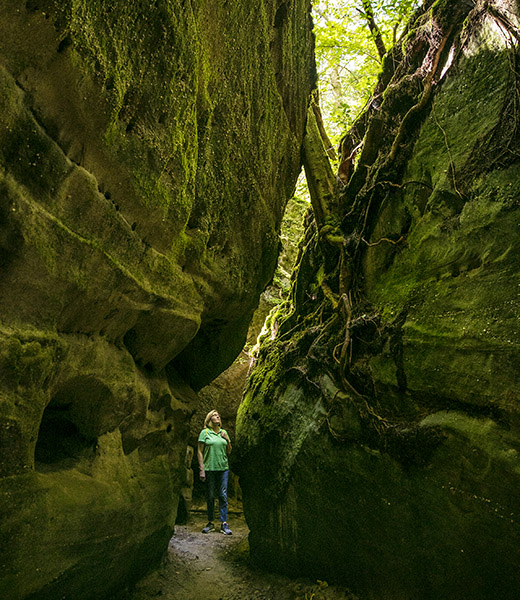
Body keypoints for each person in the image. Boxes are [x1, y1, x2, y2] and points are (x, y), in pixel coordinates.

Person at [197, 410, 233, 535]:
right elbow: (200, 451)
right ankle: (210, 522)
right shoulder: (205, 433)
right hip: (209, 468)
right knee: (211, 495)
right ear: (209, 419)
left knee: (223, 495)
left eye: (218, 415)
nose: (218, 416)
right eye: (214, 415)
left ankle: (224, 523)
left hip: (223, 468)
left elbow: (229, 451)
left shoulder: (224, 432)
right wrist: (202, 469)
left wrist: (227, 440)